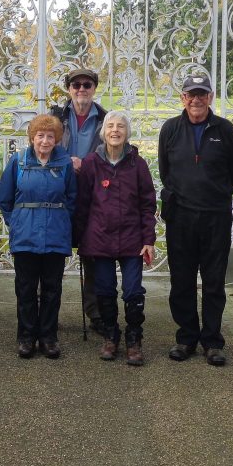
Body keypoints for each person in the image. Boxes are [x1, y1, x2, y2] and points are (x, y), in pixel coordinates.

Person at [158, 74, 233, 366]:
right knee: (181, 280)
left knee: (213, 281)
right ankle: (186, 338)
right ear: (182, 98)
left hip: (215, 217)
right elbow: (165, 170)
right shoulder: (170, 129)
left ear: (211, 96)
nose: (196, 100)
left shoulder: (225, 129)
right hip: (180, 216)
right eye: (190, 94)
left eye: (202, 94)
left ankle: (212, 341)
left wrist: (214, 194)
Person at [74, 111, 156, 366]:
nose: (115, 130)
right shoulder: (91, 163)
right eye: (110, 125)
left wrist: (149, 239)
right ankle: (111, 336)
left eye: (121, 126)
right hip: (99, 240)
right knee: (105, 291)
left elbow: (147, 204)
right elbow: (83, 204)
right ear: (104, 132)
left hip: (132, 239)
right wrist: (80, 239)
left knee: (132, 291)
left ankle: (134, 339)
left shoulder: (137, 164)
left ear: (127, 133)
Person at [0, 114, 77, 359]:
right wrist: (18, 223)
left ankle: (48, 337)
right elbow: (5, 199)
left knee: (53, 289)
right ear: (32, 138)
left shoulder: (64, 164)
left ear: (56, 140)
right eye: (40, 136)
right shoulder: (18, 161)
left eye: (50, 136)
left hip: (55, 235)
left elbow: (72, 199)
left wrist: (62, 223)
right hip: (26, 237)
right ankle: (26, 337)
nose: (45, 141)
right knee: (26, 289)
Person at [50, 67, 107, 334]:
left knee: (94, 256)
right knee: (51, 257)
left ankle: (96, 313)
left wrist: (86, 164)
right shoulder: (55, 117)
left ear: (94, 88)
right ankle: (47, 312)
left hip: (94, 195)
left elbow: (112, 151)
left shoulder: (106, 119)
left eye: (87, 85)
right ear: (69, 89)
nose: (81, 90)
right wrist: (66, 162)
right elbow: (42, 148)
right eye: (76, 85)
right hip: (59, 194)